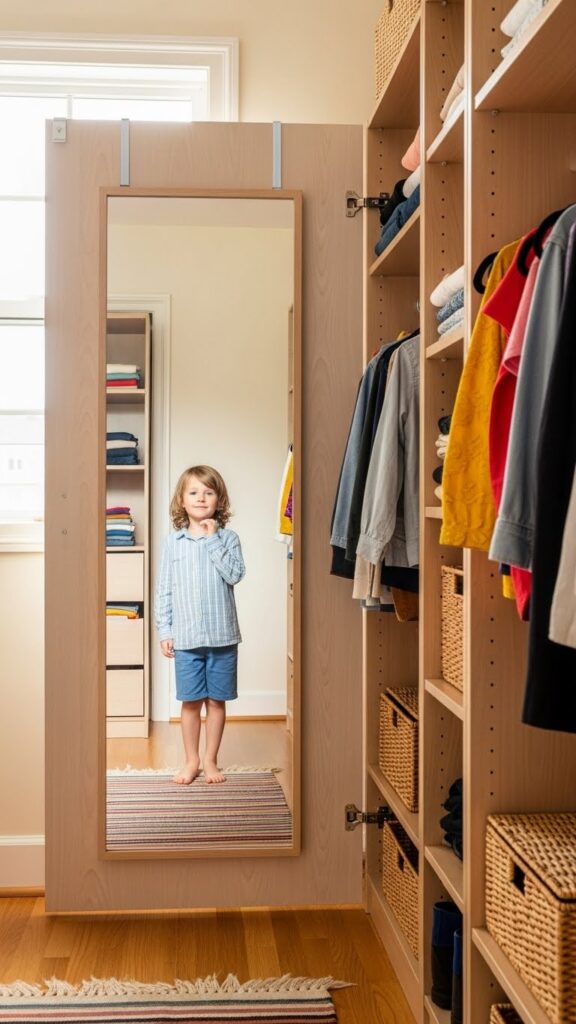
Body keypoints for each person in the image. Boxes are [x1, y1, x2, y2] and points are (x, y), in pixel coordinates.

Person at [155, 465, 245, 785]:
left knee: (216, 700)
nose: (201, 498)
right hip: (187, 637)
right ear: (182, 500)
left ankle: (210, 760)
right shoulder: (173, 543)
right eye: (193, 492)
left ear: (219, 500)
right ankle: (191, 760)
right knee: (191, 700)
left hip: (222, 636)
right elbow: (164, 588)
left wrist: (211, 540)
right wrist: (165, 630)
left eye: (208, 492)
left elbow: (234, 574)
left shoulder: (228, 539)